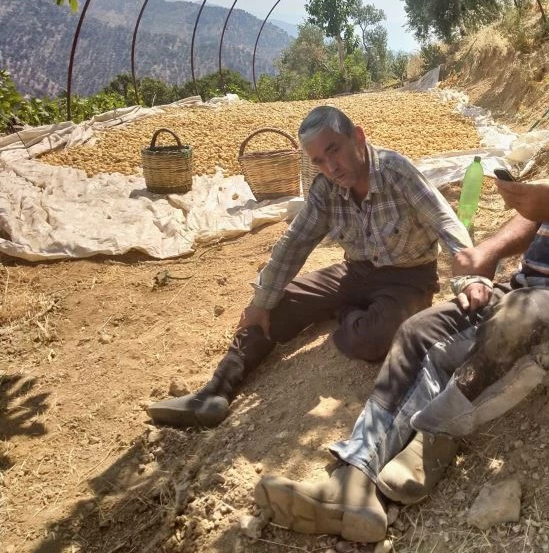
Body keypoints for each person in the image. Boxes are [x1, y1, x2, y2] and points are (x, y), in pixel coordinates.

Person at [253, 18, 549, 543]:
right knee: (420, 331)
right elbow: (537, 218)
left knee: (525, 317)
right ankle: (351, 482)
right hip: (527, 296)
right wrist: (488, 250)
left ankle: (430, 439)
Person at [147, 105, 473, 428]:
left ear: (358, 138)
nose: (331, 167)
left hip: (408, 279)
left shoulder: (395, 172)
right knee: (274, 305)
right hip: (356, 273)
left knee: (375, 338)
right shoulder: (326, 189)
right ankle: (214, 392)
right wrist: (261, 301)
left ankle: (345, 312)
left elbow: (445, 221)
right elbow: (294, 244)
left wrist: (469, 277)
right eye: (319, 160)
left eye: (334, 150)